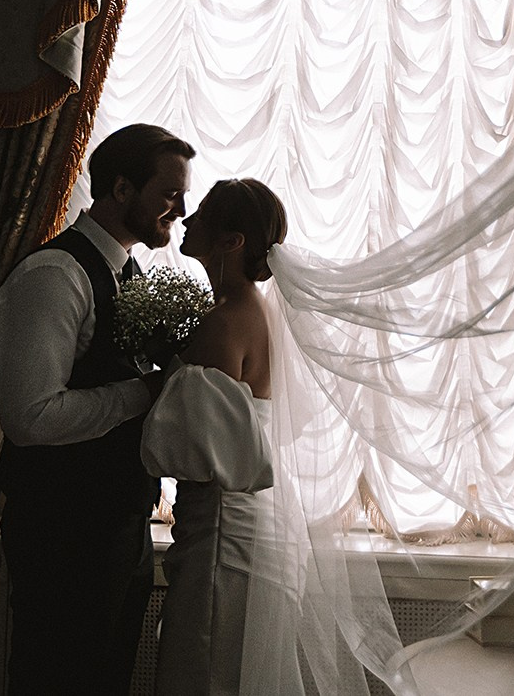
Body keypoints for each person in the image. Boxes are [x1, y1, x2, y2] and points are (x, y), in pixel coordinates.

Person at [0, 123, 194, 696]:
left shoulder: (128, 273)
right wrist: (146, 392)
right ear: (122, 188)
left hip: (119, 524)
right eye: (170, 193)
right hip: (62, 532)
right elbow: (31, 417)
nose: (181, 211)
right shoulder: (54, 275)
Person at [141, 178, 291, 695]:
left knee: (203, 674)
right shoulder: (255, 309)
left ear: (233, 241)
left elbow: (182, 444)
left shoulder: (223, 322)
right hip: (242, 520)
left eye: (202, 215)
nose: (187, 220)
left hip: (220, 531)